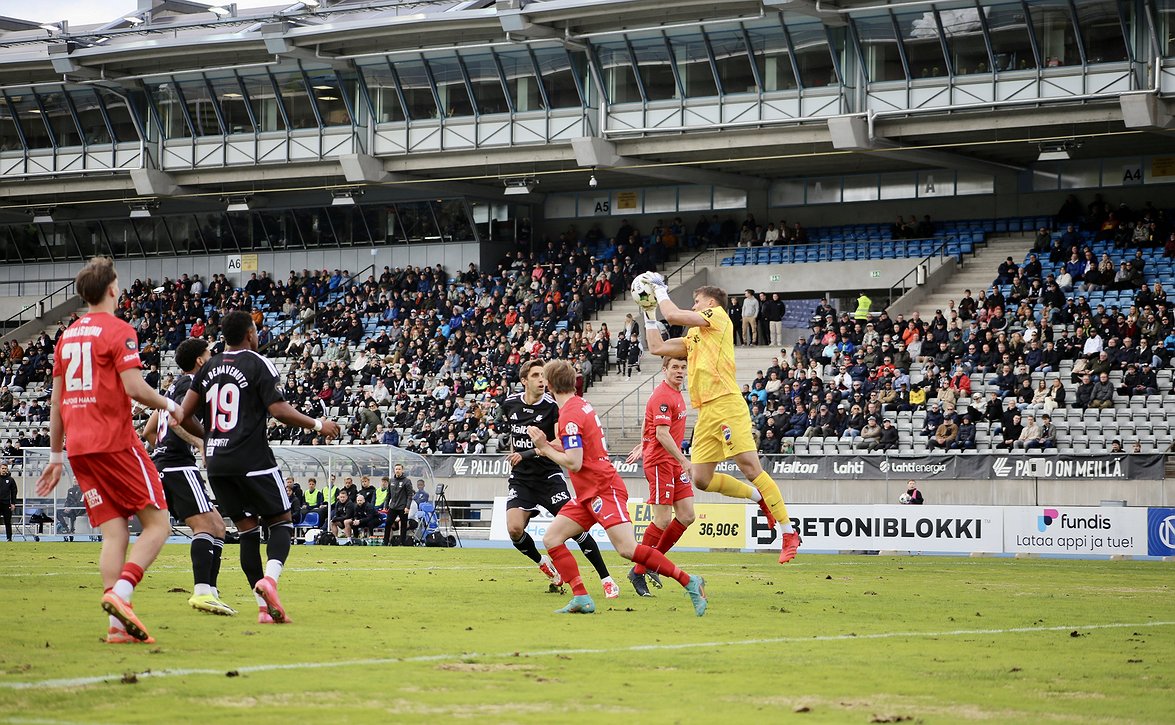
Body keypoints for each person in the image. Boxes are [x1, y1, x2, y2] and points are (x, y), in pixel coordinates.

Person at [36, 257, 184, 644]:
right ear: (113, 288)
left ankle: (117, 627)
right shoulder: (119, 330)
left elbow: (56, 402)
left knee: (115, 532)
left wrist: (55, 456)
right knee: (158, 524)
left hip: (80, 448)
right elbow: (135, 387)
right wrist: (169, 405)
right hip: (115, 442)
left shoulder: (66, 336)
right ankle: (120, 594)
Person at [177, 310, 341, 625]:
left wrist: (211, 438)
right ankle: (270, 581)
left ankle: (263, 609)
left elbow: (183, 415)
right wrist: (319, 424)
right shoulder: (258, 362)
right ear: (250, 334)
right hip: (251, 459)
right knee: (281, 521)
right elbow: (278, 410)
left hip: (218, 464)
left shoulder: (208, 367)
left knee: (248, 530)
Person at [528, 360, 706, 616]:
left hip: (602, 489)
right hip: (588, 492)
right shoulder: (579, 406)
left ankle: (690, 581)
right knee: (552, 538)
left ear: (551, 385)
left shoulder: (569, 414)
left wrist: (545, 448)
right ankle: (581, 597)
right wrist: (543, 447)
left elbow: (574, 462)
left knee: (627, 549)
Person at [644, 280, 800, 563]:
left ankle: (789, 532)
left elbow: (673, 315)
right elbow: (656, 347)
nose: (694, 306)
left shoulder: (718, 317)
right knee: (701, 480)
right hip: (706, 412)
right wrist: (646, 313)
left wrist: (659, 291)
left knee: (750, 466)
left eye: (697, 301)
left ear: (710, 304)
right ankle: (758, 497)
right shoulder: (695, 336)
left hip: (727, 402)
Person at [503, 360, 617, 597]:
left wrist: (527, 453)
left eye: (543, 376)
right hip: (522, 479)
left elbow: (559, 443)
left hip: (549, 476)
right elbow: (515, 437)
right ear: (524, 381)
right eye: (535, 376)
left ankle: (606, 578)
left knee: (575, 530)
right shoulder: (509, 404)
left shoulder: (554, 407)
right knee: (514, 529)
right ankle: (542, 562)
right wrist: (517, 453)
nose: (541, 380)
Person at [143, 338, 234, 616]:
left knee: (218, 526)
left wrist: (164, 452)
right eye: (209, 354)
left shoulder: (175, 387)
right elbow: (177, 420)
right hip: (178, 465)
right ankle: (202, 592)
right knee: (206, 526)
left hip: (167, 463)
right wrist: (199, 443)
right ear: (199, 360)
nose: (211, 357)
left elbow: (149, 430)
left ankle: (212, 592)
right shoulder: (189, 385)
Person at [624, 356, 696, 597]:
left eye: (683, 367)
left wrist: (643, 443)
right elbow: (663, 434)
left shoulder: (675, 393)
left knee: (687, 516)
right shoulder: (664, 395)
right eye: (674, 367)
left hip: (670, 461)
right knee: (662, 520)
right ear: (664, 370)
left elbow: (651, 425)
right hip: (661, 463)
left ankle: (654, 561)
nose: (680, 371)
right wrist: (684, 460)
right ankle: (638, 570)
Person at [382, 463, 414, 546]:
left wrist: (407, 507)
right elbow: (388, 494)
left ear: (402, 470)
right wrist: (386, 505)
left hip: (403, 507)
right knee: (388, 523)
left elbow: (410, 495)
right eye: (396, 469)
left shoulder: (407, 481)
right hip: (393, 506)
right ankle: (385, 542)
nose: (398, 471)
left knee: (403, 525)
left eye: (399, 469)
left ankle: (402, 543)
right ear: (394, 470)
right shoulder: (391, 480)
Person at [0, 463, 16, 542]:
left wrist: (13, 503)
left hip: (6, 504)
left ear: (7, 469)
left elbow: (14, 492)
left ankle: (9, 538)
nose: (4, 470)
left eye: (5, 468)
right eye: (2, 468)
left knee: (7, 522)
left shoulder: (10, 479)